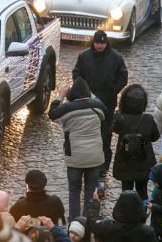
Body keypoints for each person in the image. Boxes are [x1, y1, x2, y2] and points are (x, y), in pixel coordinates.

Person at [48, 77, 105, 220]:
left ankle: (74, 224)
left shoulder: (67, 109)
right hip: (95, 157)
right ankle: (88, 223)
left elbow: (52, 113)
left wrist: (61, 95)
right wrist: (89, 95)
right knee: (91, 191)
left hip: (75, 158)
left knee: (74, 192)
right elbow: (100, 107)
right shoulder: (98, 107)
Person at [72, 29, 128, 174]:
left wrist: (113, 90)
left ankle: (103, 166)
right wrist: (82, 91)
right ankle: (88, 162)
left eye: (102, 44)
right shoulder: (84, 56)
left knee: (105, 134)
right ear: (93, 42)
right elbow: (77, 73)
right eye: (97, 43)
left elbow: (123, 76)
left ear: (106, 43)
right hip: (87, 102)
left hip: (107, 103)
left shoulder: (115, 58)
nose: (99, 46)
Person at [112, 84, 159, 201]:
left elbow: (112, 128)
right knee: (143, 191)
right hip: (144, 161)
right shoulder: (148, 119)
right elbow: (155, 137)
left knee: (126, 190)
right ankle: (142, 213)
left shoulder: (119, 118)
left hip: (125, 161)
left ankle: (127, 214)